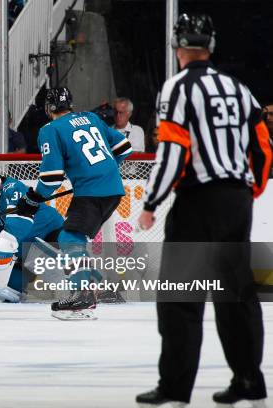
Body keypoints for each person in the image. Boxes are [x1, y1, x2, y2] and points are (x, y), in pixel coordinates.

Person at [136, 14, 271, 407]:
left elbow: (173, 151)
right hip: (236, 200)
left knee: (181, 297)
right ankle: (248, 379)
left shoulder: (177, 88)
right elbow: (263, 148)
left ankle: (176, 388)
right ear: (210, 46)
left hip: (198, 200)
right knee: (237, 294)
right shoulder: (238, 88)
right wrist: (247, 190)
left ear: (177, 46)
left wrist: (152, 203)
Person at [16, 87, 132, 320]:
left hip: (92, 191)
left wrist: (32, 198)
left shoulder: (50, 129)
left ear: (48, 109)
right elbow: (124, 148)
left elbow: (51, 176)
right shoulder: (91, 117)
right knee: (74, 239)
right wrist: (101, 172)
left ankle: (83, 294)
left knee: (69, 239)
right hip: (113, 189)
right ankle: (98, 287)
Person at [0, 169, 64, 302]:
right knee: (9, 293)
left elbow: (18, 225)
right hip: (23, 248)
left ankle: (81, 287)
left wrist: (0, 248)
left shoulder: (13, 188)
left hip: (49, 232)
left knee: (46, 264)